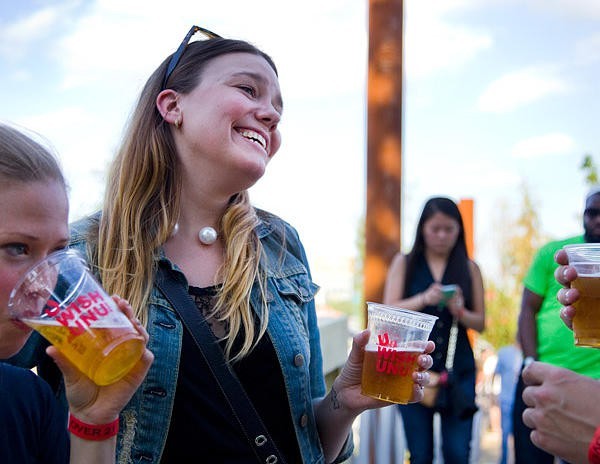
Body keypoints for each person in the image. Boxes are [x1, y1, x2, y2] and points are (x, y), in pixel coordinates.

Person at [13, 27, 434, 463]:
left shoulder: (280, 247)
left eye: (277, 108)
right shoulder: (80, 254)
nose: (269, 115)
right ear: (172, 105)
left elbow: (308, 446)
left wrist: (344, 400)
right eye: (248, 89)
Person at [0, 122, 154, 463]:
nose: (45, 284)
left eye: (57, 253)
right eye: (17, 248)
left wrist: (93, 420)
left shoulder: (24, 399)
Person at [383, 196, 485, 464]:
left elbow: (481, 323)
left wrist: (460, 311)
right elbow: (388, 311)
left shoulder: (470, 268)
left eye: (449, 229)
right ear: (422, 229)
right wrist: (424, 299)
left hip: (457, 371)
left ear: (458, 231)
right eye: (435, 228)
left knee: (457, 453)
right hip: (412, 368)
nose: (441, 235)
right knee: (419, 454)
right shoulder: (404, 263)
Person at [513, 187, 600, 463]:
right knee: (533, 451)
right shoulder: (555, 252)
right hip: (546, 373)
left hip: (595, 383)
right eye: (592, 212)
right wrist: (529, 359)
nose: (598, 219)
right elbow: (527, 309)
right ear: (583, 215)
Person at [493, 343, 522, 464]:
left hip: (521, 402)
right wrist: (493, 394)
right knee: (505, 434)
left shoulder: (528, 351)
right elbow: (496, 374)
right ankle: (503, 461)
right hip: (506, 400)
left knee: (519, 436)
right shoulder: (504, 352)